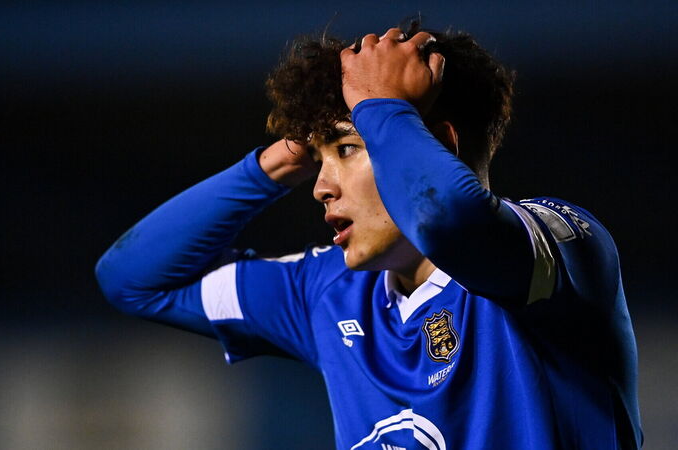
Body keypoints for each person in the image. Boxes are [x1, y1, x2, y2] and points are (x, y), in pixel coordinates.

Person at [95, 22, 643, 449]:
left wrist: (384, 110)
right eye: (318, 158)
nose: (321, 187)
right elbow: (133, 281)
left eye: (347, 148)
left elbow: (448, 220)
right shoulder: (326, 293)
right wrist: (271, 166)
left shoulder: (556, 250)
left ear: (439, 144)